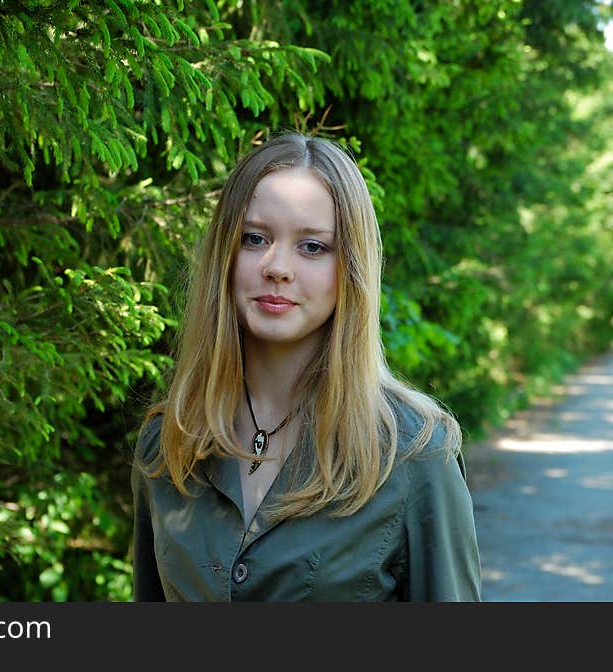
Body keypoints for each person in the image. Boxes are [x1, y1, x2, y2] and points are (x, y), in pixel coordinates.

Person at [130, 132, 482, 601]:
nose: (277, 267)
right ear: (224, 257)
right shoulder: (167, 442)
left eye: (313, 247)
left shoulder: (415, 455)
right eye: (254, 239)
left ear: (350, 269)